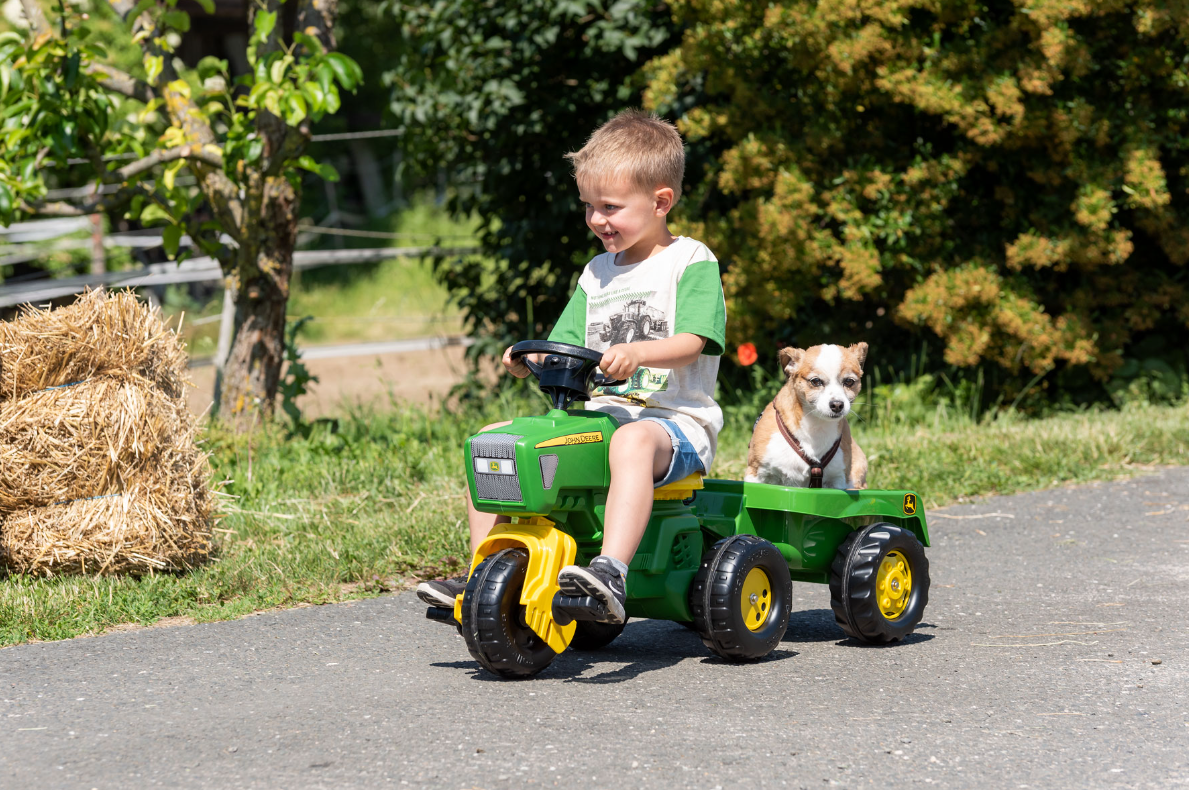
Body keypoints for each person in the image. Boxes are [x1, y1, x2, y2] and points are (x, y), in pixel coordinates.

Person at [418, 109, 726, 624]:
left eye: (610, 207)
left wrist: (639, 353)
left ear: (660, 202)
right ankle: (486, 569)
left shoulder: (690, 261)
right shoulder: (596, 273)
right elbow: (563, 343)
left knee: (631, 442)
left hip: (675, 425)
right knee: (498, 436)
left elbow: (696, 341)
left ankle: (611, 571)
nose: (597, 220)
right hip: (602, 420)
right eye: (589, 207)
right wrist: (529, 358)